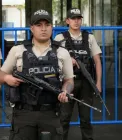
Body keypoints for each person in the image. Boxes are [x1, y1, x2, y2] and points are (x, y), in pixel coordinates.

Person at [0, 9, 74, 140]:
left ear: (52, 27)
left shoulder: (62, 52)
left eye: (47, 25)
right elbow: (0, 75)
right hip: (23, 114)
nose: (43, 29)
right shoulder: (18, 50)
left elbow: (69, 81)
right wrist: (7, 78)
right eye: (39, 25)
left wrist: (65, 91)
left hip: (50, 113)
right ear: (31, 28)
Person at [54, 8, 102, 140]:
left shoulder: (89, 37)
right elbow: (54, 59)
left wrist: (98, 83)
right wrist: (68, 60)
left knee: (86, 119)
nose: (76, 21)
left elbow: (97, 61)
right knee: (64, 118)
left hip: (86, 83)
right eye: (73, 18)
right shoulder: (60, 38)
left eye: (78, 18)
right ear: (67, 21)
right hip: (67, 82)